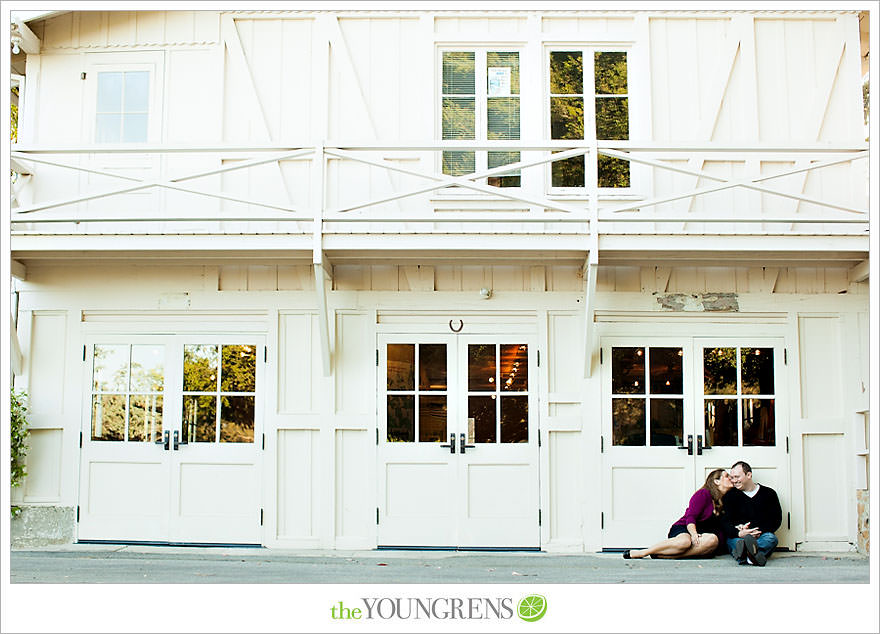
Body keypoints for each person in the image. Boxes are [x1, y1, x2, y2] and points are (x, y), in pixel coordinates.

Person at [623, 469, 733, 560]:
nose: (731, 478)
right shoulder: (703, 494)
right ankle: (643, 552)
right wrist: (693, 534)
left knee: (713, 540)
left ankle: (666, 556)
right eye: (727, 476)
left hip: (702, 536)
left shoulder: (727, 499)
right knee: (685, 542)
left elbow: (725, 525)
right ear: (716, 481)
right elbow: (691, 517)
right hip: (685, 528)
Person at [722, 460, 782, 566]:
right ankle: (753, 555)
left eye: (737, 477)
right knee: (734, 542)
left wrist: (757, 532)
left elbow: (776, 520)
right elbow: (725, 522)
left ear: (749, 475)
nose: (734, 481)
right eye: (732, 477)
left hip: (762, 535)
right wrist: (739, 533)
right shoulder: (729, 496)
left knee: (771, 539)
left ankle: (744, 555)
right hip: (739, 536)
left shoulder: (769, 494)